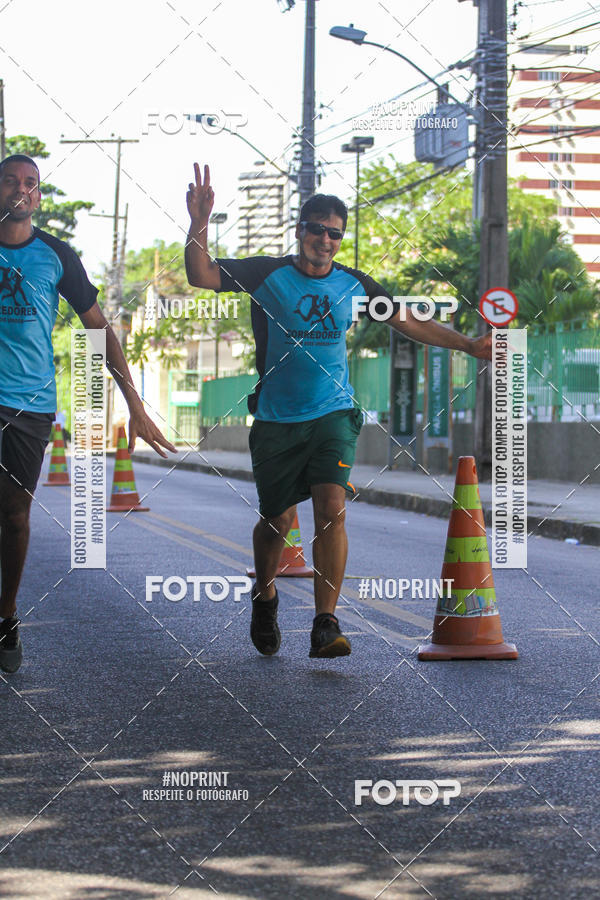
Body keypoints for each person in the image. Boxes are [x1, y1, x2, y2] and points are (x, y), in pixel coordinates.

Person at [185, 162, 492, 660]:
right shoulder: (268, 275)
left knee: (332, 505)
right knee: (276, 522)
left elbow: (408, 320)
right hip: (277, 419)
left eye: (334, 234)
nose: (325, 241)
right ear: (300, 231)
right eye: (316, 230)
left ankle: (325, 622)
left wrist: (466, 345)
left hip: (334, 412)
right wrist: (199, 221)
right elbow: (201, 274)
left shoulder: (353, 284)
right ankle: (265, 596)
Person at [0, 154, 176, 674]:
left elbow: (99, 330)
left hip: (29, 405)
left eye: (30, 183)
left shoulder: (55, 256)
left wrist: (134, 403)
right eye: (10, 180)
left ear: (38, 197)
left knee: (12, 516)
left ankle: (6, 612)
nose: (20, 189)